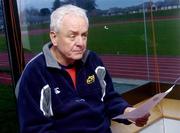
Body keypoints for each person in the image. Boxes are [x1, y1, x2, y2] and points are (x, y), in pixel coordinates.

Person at [15, 4, 149, 133]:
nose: (80, 43)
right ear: (54, 37)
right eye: (72, 36)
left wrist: (128, 112)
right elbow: (35, 128)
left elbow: (108, 98)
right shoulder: (35, 73)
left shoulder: (93, 60)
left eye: (84, 35)